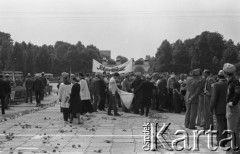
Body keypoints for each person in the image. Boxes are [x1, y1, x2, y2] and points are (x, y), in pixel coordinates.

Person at [223, 63, 240, 154]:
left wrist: (233, 103)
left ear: (225, 73)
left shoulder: (234, 81)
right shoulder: (233, 80)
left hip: (232, 109)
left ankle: (231, 152)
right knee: (235, 132)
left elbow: (238, 92)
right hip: (233, 108)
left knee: (231, 132)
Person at [210, 70, 228, 147]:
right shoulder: (229, 84)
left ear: (218, 76)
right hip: (228, 108)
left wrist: (211, 108)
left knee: (220, 126)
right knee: (226, 125)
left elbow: (214, 98)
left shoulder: (216, 85)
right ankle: (225, 141)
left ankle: (220, 141)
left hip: (219, 109)